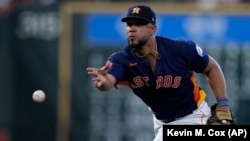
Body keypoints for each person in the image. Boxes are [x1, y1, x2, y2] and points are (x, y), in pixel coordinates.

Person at [86, 5, 232, 141]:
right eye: (129, 24)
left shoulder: (179, 49)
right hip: (162, 123)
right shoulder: (122, 59)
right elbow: (109, 81)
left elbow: (211, 67)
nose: (132, 28)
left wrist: (223, 104)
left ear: (153, 29)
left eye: (139, 23)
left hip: (193, 116)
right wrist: (103, 83)